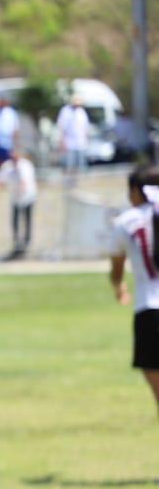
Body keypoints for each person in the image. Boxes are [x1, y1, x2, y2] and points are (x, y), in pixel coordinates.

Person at [108, 166, 159, 416]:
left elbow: (117, 268)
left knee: (152, 368)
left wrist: (119, 286)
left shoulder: (126, 222)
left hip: (148, 306)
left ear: (136, 192)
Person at [0, 149, 37, 260]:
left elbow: (25, 182)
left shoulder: (26, 165)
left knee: (27, 221)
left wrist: (22, 187)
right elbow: (0, 180)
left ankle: (25, 245)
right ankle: (17, 245)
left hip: (28, 198)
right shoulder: (7, 167)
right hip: (16, 199)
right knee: (15, 223)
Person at [56, 95, 90, 185]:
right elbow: (61, 127)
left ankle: (75, 183)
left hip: (80, 143)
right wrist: (62, 142)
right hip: (69, 143)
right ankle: (66, 183)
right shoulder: (65, 111)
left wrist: (86, 140)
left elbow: (85, 128)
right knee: (68, 164)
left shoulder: (81, 112)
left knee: (78, 165)